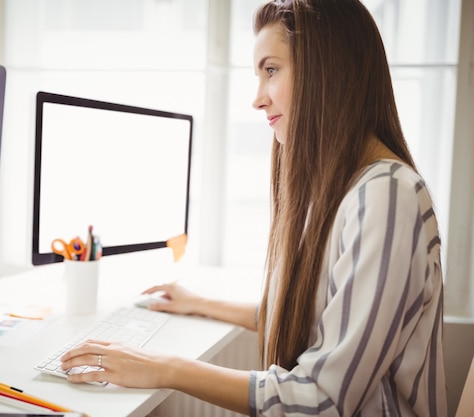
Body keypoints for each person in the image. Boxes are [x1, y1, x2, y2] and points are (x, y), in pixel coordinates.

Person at [60, 0, 447, 415]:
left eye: (272, 70)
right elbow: (314, 315)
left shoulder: (387, 196)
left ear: (328, 71)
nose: (257, 99)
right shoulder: (344, 190)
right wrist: (198, 302)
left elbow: (323, 399)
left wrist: (161, 368)